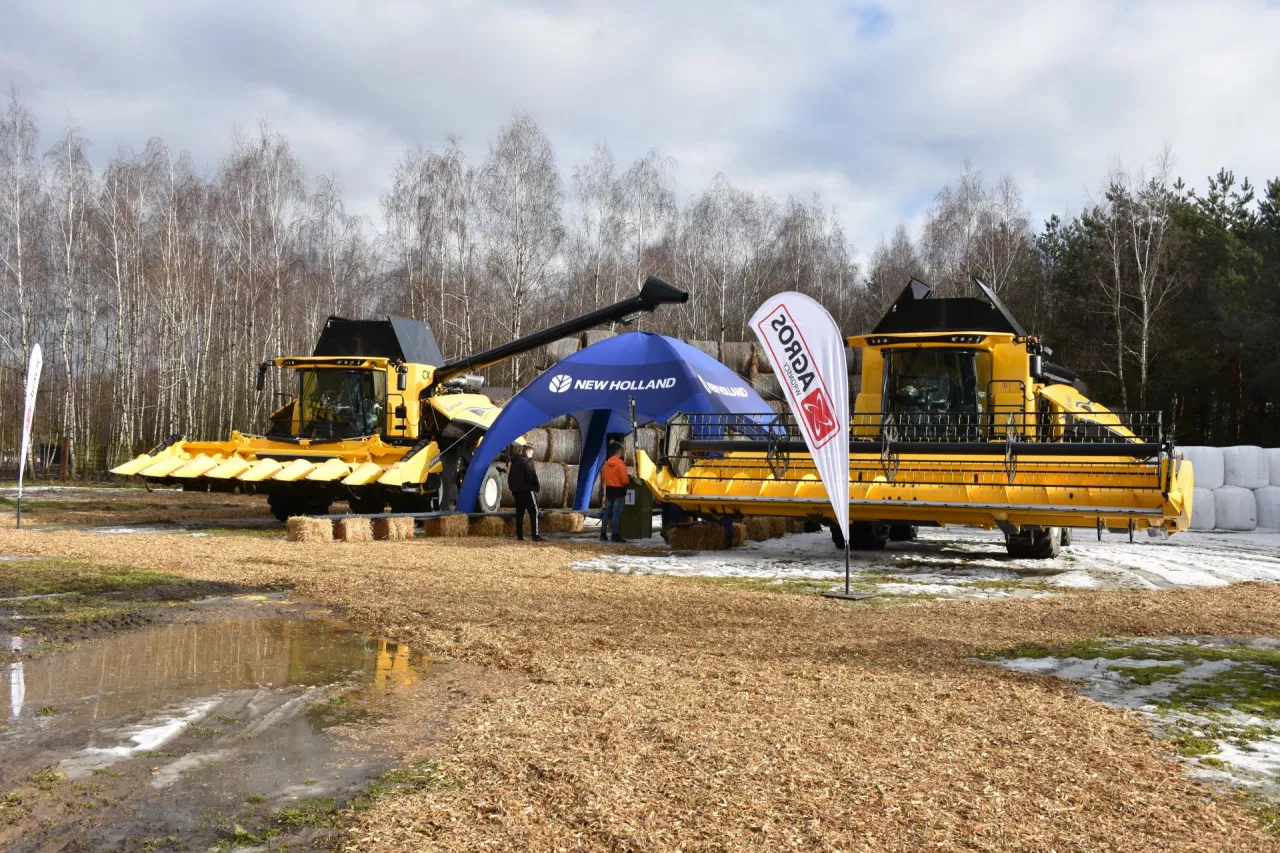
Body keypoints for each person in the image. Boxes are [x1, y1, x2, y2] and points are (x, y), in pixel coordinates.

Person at [507, 444, 542, 541]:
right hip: (528, 490)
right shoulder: (527, 461)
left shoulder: (514, 463)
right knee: (534, 511)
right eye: (531, 454)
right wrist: (536, 486)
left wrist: (513, 489)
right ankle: (535, 535)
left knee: (519, 514)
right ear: (527, 452)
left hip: (517, 492)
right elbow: (531, 474)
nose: (532, 456)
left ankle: (520, 536)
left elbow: (509, 478)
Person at [600, 441, 630, 543]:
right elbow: (624, 480)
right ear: (619, 451)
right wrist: (628, 479)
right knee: (616, 514)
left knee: (607, 512)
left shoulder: (606, 464)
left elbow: (604, 477)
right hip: (619, 491)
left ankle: (603, 534)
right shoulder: (621, 465)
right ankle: (615, 535)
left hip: (609, 490)